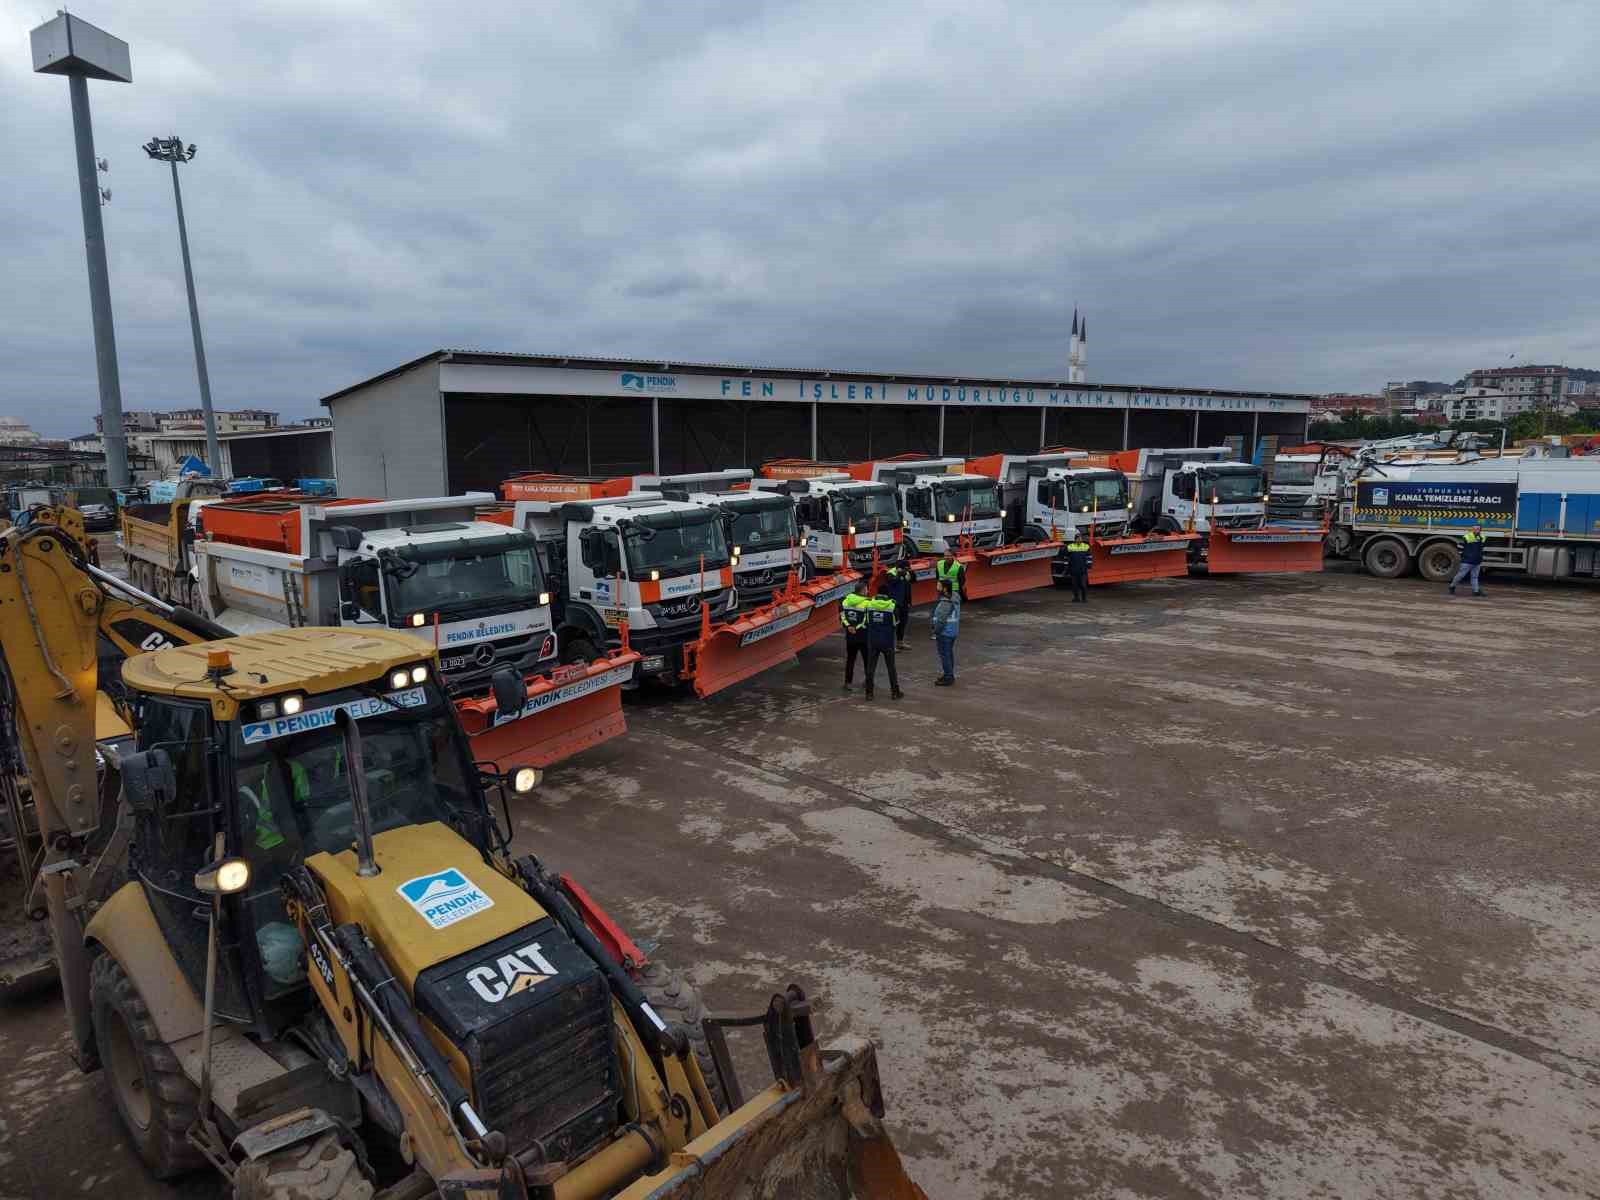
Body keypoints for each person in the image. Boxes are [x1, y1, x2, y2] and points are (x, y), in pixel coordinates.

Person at [862, 591, 903, 700]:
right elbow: (897, 623)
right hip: (887, 641)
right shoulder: (892, 606)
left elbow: (865, 622)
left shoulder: (869, 606)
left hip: (873, 641)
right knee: (891, 668)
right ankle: (895, 692)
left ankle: (869, 693)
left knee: (870, 668)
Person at [931, 579, 961, 686]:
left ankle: (948, 677)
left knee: (945, 655)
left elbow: (941, 620)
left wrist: (936, 631)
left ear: (944, 589)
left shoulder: (945, 603)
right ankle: (948, 673)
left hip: (944, 633)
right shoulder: (955, 598)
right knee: (949, 654)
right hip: (952, 631)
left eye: (939, 586)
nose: (937, 588)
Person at [840, 587, 870, 691]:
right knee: (867, 660)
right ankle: (868, 681)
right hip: (863, 636)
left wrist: (849, 626)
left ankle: (848, 683)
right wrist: (857, 628)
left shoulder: (845, 601)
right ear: (861, 591)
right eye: (866, 589)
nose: (867, 591)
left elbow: (842, 616)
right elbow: (867, 620)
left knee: (850, 659)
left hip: (850, 636)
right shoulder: (867, 603)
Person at [1448, 524, 1486, 597]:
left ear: (1480, 530)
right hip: (1467, 561)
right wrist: (1464, 556)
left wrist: (1480, 557)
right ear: (1472, 529)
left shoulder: (1483, 537)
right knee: (1460, 576)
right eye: (1474, 529)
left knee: (1474, 577)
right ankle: (1452, 586)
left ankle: (1476, 591)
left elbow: (1481, 549)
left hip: (1477, 561)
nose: (1476, 530)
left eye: (1478, 529)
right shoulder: (1467, 537)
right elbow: (1459, 547)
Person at [882, 560, 913, 649]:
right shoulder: (890, 573)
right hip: (894, 603)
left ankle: (900, 642)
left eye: (907, 569)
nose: (907, 570)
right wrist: (899, 575)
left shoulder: (907, 573)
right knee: (893, 624)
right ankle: (890, 645)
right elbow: (892, 582)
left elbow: (913, 581)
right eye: (906, 569)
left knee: (903, 623)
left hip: (905, 602)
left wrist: (910, 572)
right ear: (899, 568)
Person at [1064, 534, 1092, 603]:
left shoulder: (1086, 546)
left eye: (1081, 538)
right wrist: (1066, 568)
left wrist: (1089, 565)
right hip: (1074, 570)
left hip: (1083, 570)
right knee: (1074, 586)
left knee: (1083, 585)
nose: (1080, 540)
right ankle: (1076, 598)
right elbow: (1066, 557)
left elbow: (1089, 556)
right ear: (1075, 539)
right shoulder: (1070, 547)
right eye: (1078, 538)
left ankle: (1084, 598)